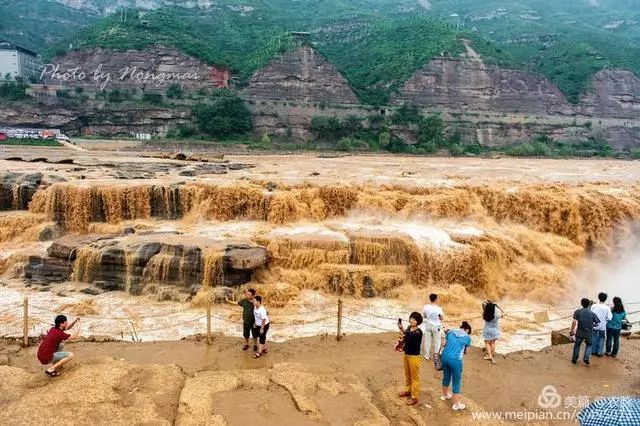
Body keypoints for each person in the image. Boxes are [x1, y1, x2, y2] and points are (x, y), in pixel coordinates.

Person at [439, 321, 472, 411]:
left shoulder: (450, 332)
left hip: (444, 357)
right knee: (456, 381)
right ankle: (456, 404)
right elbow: (467, 352)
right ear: (467, 330)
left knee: (446, 377)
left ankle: (445, 395)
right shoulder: (467, 337)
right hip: (456, 360)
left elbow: (444, 344)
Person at [397, 312, 424, 406]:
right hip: (407, 355)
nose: (412, 321)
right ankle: (408, 390)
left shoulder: (418, 332)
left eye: (414, 319)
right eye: (411, 318)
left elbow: (410, 336)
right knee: (407, 374)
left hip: (414, 357)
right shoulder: (409, 328)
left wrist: (402, 329)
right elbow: (406, 339)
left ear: (418, 322)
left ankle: (414, 397)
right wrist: (400, 346)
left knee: (414, 377)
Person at [571, 298, 600, 365]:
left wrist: (572, 331)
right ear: (589, 304)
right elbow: (597, 323)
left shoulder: (577, 311)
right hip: (589, 333)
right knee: (589, 345)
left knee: (577, 345)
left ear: (581, 304)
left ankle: (574, 359)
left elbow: (574, 322)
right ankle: (586, 358)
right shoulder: (592, 313)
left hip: (579, 332)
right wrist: (592, 325)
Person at [422, 293, 444, 360]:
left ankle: (427, 355)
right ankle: (436, 356)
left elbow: (424, 316)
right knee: (437, 342)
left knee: (427, 341)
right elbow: (441, 318)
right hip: (436, 326)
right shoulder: (439, 308)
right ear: (436, 299)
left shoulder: (425, 306)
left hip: (428, 325)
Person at [590, 292, 612, 357]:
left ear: (598, 298)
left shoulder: (593, 306)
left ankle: (593, 351)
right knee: (601, 338)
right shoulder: (607, 308)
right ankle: (599, 352)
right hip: (602, 326)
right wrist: (605, 320)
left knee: (594, 337)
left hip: (594, 325)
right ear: (605, 299)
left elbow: (591, 314)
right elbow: (610, 318)